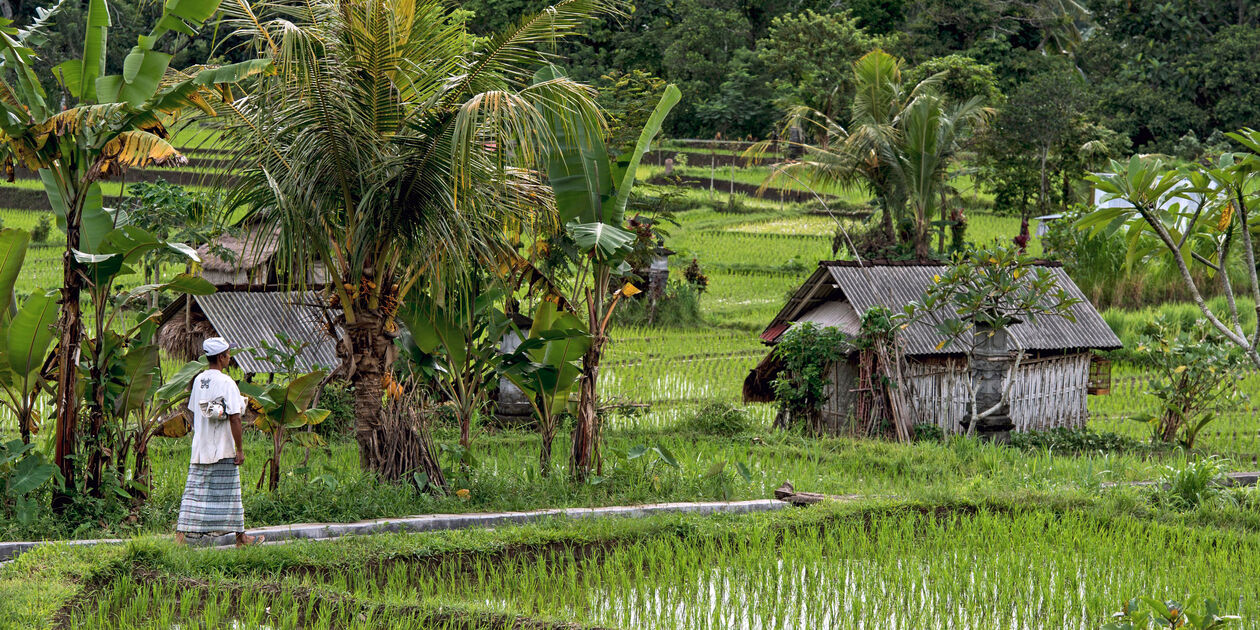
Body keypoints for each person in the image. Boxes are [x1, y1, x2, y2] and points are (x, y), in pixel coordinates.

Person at [174, 337, 263, 547]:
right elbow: (234, 417)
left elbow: (197, 409)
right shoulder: (226, 382)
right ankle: (241, 539)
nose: (230, 358)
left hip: (201, 446)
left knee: (194, 493)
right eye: (228, 354)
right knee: (231, 494)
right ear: (221, 357)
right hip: (222, 448)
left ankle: (181, 536)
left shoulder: (199, 380)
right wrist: (239, 449)